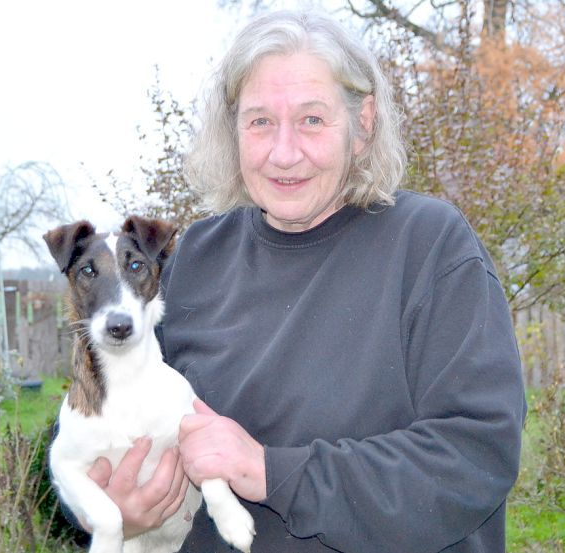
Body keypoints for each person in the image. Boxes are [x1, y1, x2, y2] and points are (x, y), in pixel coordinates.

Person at [80, 9, 527, 552]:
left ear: (362, 125)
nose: (284, 152)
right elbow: (91, 411)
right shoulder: (191, 260)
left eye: (312, 120)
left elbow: (474, 456)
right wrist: (108, 503)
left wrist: (272, 471)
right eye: (261, 121)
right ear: (234, 129)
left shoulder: (429, 248)